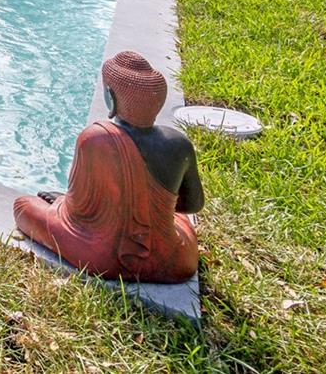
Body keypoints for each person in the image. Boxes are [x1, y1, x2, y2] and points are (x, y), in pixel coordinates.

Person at [13, 51, 203, 283]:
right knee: (177, 223)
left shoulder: (95, 138)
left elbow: (77, 215)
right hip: (174, 263)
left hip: (103, 259)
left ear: (111, 98)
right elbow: (192, 205)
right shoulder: (178, 143)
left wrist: (63, 203)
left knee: (23, 206)